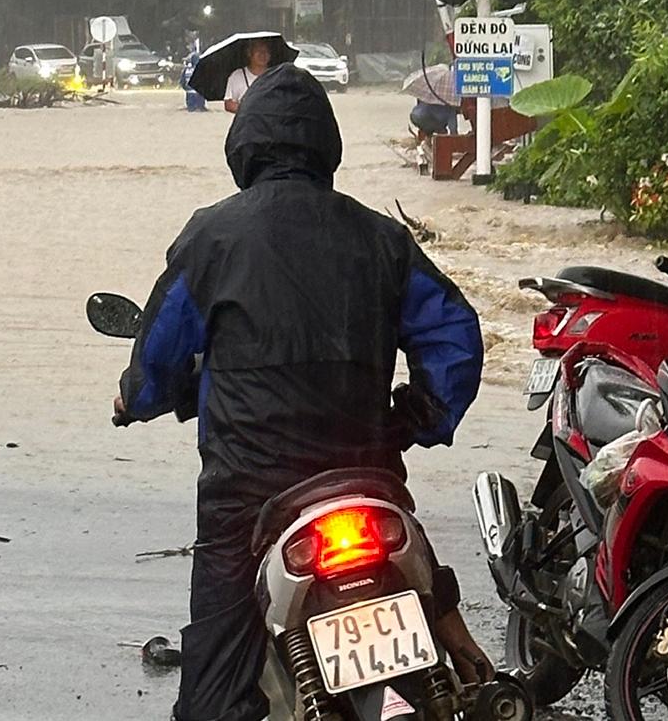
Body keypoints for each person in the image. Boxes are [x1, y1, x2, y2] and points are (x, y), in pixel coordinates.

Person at [114, 63, 491, 721]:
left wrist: (134, 398)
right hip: (366, 475)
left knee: (214, 694)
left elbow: (159, 355)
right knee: (423, 577)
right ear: (327, 143)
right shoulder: (382, 238)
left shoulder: (213, 236)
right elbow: (456, 335)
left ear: (245, 144)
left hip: (250, 494)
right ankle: (453, 658)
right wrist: (419, 413)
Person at [222, 39, 273, 114]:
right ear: (249, 53)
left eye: (266, 51)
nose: (263, 54)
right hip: (246, 123)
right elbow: (229, 104)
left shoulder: (277, 75)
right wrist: (250, 109)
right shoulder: (237, 76)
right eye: (258, 51)